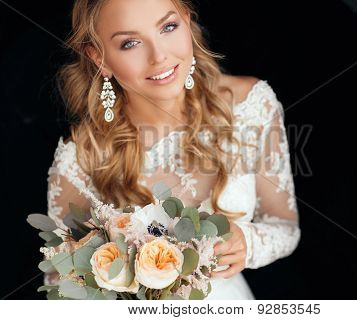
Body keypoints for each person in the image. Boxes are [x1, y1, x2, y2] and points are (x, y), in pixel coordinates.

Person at [45, 0, 301, 300]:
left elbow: (285, 227)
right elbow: (60, 280)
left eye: (168, 27)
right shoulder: (79, 161)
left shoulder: (250, 105)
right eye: (130, 43)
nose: (159, 56)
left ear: (188, 23)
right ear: (99, 58)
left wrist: (250, 242)